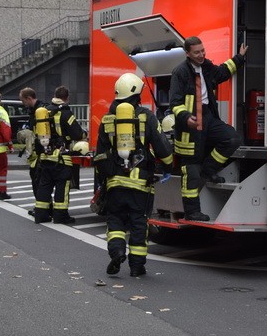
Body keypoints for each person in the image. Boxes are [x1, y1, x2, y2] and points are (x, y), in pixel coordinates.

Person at [93, 72, 174, 278]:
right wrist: (168, 166)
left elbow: (100, 154)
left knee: (116, 221)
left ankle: (117, 251)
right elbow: (162, 148)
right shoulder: (147, 117)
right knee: (139, 222)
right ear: (137, 94)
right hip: (140, 184)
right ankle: (137, 266)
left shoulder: (108, 120)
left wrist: (106, 177)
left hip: (114, 183)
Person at [168, 36, 247, 222]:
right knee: (191, 172)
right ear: (187, 53)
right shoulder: (179, 72)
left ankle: (208, 169)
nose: (202, 54)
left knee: (232, 139)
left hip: (208, 116)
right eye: (197, 52)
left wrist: (239, 57)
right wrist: (187, 118)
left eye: (203, 50)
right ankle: (192, 212)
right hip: (190, 125)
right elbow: (175, 103)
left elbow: (222, 72)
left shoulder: (206, 66)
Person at [31, 85, 87, 224]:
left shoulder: (44, 111)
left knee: (45, 186)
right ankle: (60, 216)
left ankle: (41, 215)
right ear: (67, 98)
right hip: (61, 158)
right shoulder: (66, 113)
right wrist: (84, 134)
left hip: (44, 156)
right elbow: (77, 134)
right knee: (62, 186)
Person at [18, 87, 46, 199]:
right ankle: (41, 207)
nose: (23, 104)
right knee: (36, 180)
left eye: (23, 101)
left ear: (29, 98)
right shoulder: (34, 111)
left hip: (40, 153)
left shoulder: (40, 111)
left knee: (38, 181)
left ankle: (42, 208)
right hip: (36, 154)